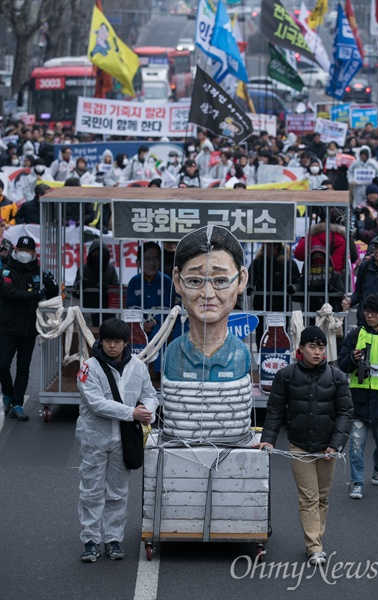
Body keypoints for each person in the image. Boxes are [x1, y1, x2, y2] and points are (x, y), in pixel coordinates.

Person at [253, 326, 353, 566]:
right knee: (308, 497)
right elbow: (275, 411)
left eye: (321, 347)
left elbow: (345, 412)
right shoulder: (286, 375)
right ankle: (315, 547)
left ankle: (316, 539)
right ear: (301, 348)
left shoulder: (337, 377)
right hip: (299, 446)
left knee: (322, 497)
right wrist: (267, 438)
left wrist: (336, 444)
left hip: (328, 448)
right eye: (312, 347)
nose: (317, 352)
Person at [76, 318, 158, 562]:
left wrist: (148, 410)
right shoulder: (88, 367)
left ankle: (113, 539)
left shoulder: (139, 367)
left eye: (118, 341)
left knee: (118, 492)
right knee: (90, 491)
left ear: (125, 343)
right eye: (108, 341)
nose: (112, 346)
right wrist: (132, 412)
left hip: (123, 438)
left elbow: (150, 394)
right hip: (94, 438)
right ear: (101, 341)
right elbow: (96, 403)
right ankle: (90, 540)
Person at [163, 226, 251, 440]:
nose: (208, 294)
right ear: (177, 280)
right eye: (195, 281)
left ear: (241, 280)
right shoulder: (172, 353)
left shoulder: (241, 354)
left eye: (221, 281)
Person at [338, 293, 378, 500]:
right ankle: (357, 482)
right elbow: (342, 365)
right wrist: (352, 359)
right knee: (356, 443)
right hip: (360, 398)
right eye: (366, 311)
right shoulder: (355, 335)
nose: (368, 315)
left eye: (373, 312)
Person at [0, 236, 59, 420]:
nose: (24, 253)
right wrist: (33, 296)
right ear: (15, 249)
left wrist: (50, 282)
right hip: (7, 327)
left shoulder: (38, 272)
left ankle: (17, 404)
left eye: (28, 250)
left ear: (34, 253)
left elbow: (51, 294)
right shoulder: (6, 271)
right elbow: (10, 293)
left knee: (23, 368)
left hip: (28, 328)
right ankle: (8, 393)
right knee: (2, 364)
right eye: (22, 250)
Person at [126, 242, 175, 379]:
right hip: (138, 323)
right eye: (147, 259)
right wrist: (141, 322)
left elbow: (168, 308)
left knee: (160, 331)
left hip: (161, 323)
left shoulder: (166, 281)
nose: (152, 263)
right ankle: (133, 372)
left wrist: (153, 321)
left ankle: (159, 373)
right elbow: (131, 307)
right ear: (138, 262)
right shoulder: (134, 282)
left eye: (156, 259)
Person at [342, 235, 378, 326]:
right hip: (364, 322)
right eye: (375, 248)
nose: (377, 251)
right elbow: (358, 292)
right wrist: (350, 300)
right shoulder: (365, 267)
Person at [73, 240, 119, 327]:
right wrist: (79, 286)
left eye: (101, 254)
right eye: (95, 254)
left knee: (107, 336)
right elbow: (75, 292)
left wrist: (107, 288)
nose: (98, 257)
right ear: (90, 255)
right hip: (87, 311)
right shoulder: (83, 270)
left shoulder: (110, 269)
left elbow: (116, 290)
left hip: (107, 312)